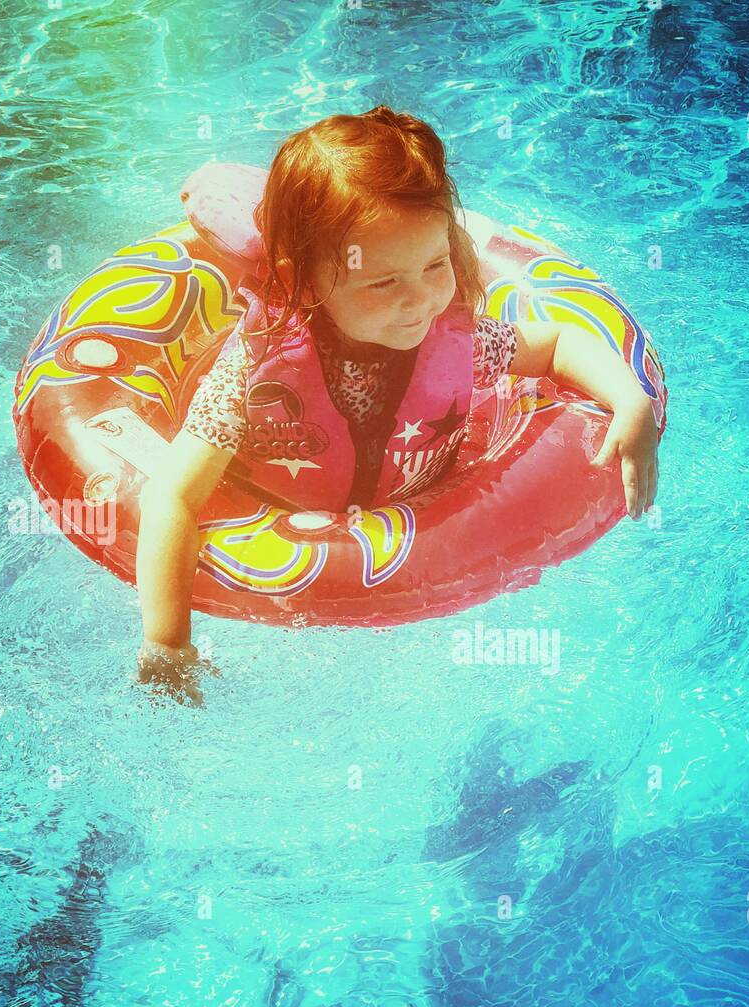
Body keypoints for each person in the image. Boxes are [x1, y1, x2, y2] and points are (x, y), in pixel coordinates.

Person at [136, 105, 660, 704]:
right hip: (274, 523)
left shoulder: (458, 343)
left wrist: (629, 399)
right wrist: (169, 644)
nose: (420, 301)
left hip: (419, 515)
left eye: (435, 265)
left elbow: (559, 343)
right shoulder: (255, 371)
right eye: (383, 282)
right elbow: (173, 494)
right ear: (305, 282)